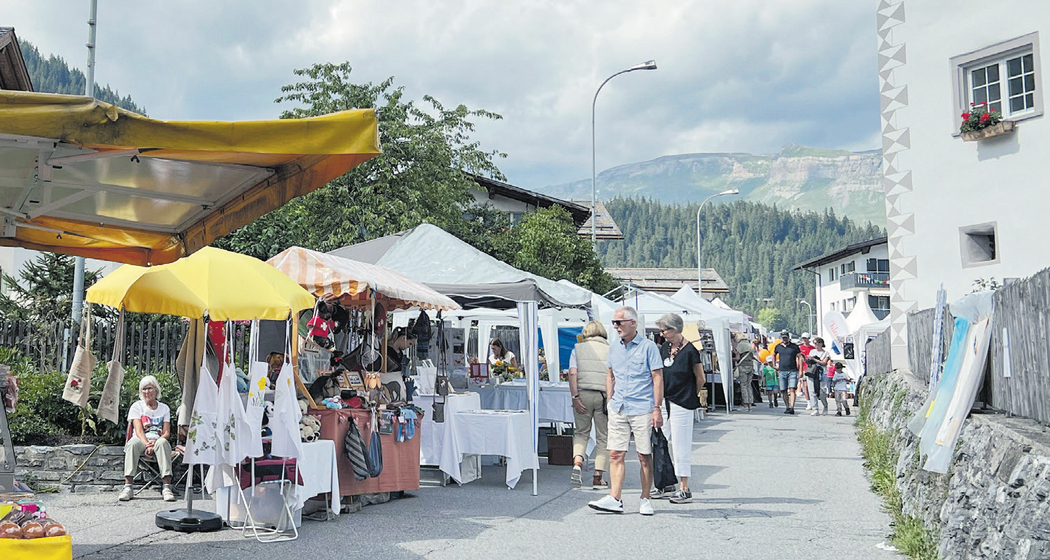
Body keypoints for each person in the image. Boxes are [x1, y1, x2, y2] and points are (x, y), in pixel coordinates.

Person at [588, 306, 663, 516]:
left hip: (642, 407)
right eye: (614, 322)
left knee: (643, 455)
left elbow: (657, 378)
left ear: (632, 323)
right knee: (615, 453)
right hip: (619, 407)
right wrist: (610, 401)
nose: (615, 326)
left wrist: (657, 408)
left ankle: (645, 498)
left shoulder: (649, 347)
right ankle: (615, 498)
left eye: (619, 322)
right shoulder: (614, 347)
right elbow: (610, 374)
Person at [655, 313, 703, 504]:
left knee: (681, 443)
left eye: (664, 330)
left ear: (674, 329)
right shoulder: (665, 348)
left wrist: (693, 393)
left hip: (682, 401)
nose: (662, 333)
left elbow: (700, 377)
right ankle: (666, 482)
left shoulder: (691, 350)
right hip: (665, 400)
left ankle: (684, 487)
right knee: (662, 439)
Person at [567, 321, 610, 489]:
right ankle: (598, 476)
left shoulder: (577, 349)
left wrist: (575, 396)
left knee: (581, 432)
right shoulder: (611, 350)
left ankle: (577, 463)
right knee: (603, 436)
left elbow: (572, 373)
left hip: (583, 394)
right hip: (603, 396)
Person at [120, 376, 176, 502]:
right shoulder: (137, 406)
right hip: (141, 440)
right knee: (133, 443)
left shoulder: (164, 408)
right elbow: (138, 430)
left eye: (149, 388)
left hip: (157, 440)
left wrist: (154, 443)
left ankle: (167, 487)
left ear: (156, 390)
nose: (146, 392)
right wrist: (147, 444)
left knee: (163, 442)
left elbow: (166, 433)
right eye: (143, 389)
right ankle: (128, 487)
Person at [773, 330, 805, 415]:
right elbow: (773, 354)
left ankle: (792, 407)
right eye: (783, 338)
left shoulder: (794, 347)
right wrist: (774, 364)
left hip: (793, 370)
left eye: (786, 337)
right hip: (782, 370)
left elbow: (800, 357)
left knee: (792, 389)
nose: (785, 339)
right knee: (783, 390)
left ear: (788, 337)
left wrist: (800, 370)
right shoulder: (778, 347)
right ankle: (787, 406)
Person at [805, 337, 831, 416]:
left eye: (816, 343)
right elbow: (809, 361)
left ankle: (825, 405)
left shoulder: (826, 353)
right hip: (812, 371)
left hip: (821, 372)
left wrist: (814, 359)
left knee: (821, 391)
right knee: (811, 390)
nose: (815, 345)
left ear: (821, 344)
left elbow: (824, 363)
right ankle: (815, 408)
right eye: (814, 344)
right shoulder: (812, 351)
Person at [734, 332, 755, 411]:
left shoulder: (740, 345)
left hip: (743, 366)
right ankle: (750, 404)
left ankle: (745, 405)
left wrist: (733, 358)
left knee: (743, 385)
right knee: (748, 385)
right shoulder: (749, 345)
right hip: (750, 366)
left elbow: (737, 358)